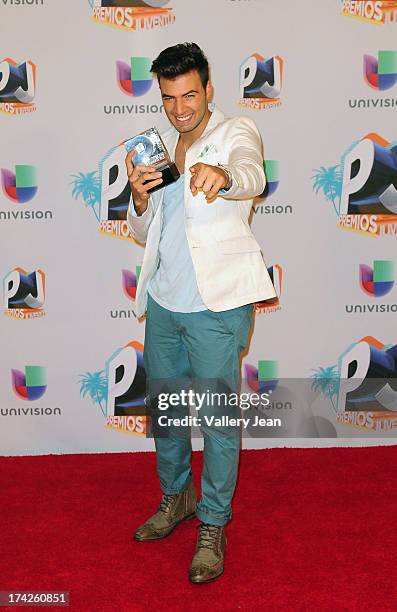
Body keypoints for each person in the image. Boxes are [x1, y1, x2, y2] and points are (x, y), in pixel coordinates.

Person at [125, 42, 276, 584]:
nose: (180, 107)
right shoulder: (159, 146)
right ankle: (177, 498)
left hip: (216, 308)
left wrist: (224, 177)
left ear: (209, 89)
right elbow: (149, 232)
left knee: (215, 423)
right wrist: (139, 202)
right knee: (167, 418)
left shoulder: (236, 131)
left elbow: (251, 175)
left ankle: (213, 522)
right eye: (169, 97)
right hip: (163, 305)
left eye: (190, 94)